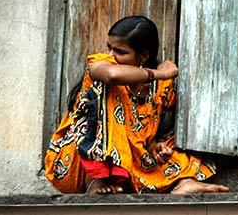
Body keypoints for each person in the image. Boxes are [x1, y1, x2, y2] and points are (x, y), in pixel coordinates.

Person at [45, 16, 228, 194]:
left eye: (120, 51)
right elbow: (112, 75)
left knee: (191, 139)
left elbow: (140, 135)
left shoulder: (159, 90)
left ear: (144, 56)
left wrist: (155, 147)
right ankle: (97, 180)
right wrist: (160, 74)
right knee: (109, 89)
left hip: (132, 161)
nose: (111, 55)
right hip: (80, 162)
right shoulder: (100, 65)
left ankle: (185, 182)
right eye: (109, 48)